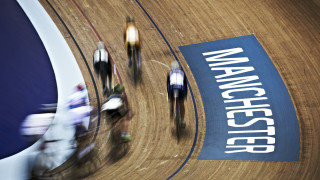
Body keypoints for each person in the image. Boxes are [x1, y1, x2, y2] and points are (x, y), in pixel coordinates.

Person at [167, 61, 187, 128]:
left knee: (171, 96)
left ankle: (172, 104)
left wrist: (168, 96)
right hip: (180, 89)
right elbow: (185, 86)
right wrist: (186, 96)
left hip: (172, 89)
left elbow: (168, 85)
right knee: (182, 104)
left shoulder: (169, 73)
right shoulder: (182, 73)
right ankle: (182, 121)